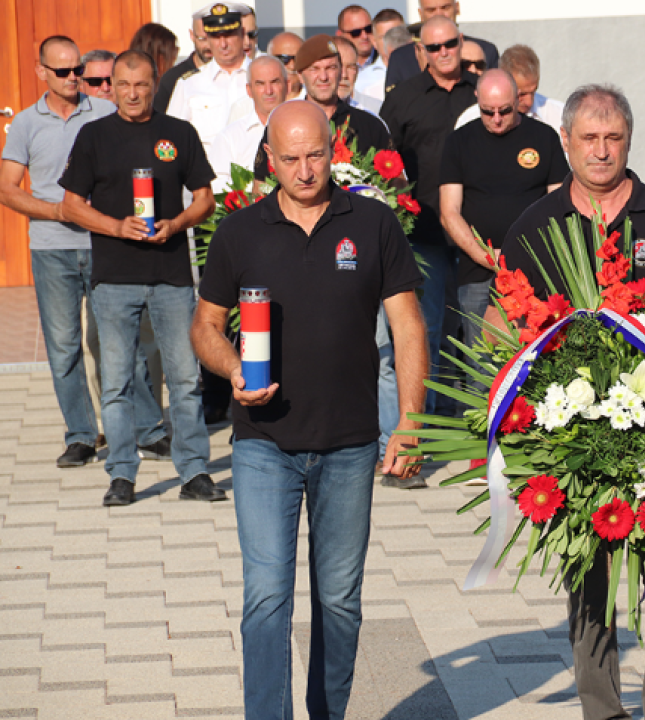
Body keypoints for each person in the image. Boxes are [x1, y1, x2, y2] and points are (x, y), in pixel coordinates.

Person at [190, 100, 428, 719]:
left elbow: (407, 326)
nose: (304, 170)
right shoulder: (239, 231)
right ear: (269, 158)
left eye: (315, 155)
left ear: (333, 151)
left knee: (340, 602)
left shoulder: (373, 223)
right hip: (263, 443)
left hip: (350, 443)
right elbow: (206, 326)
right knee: (267, 598)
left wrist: (409, 420)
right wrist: (234, 368)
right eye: (290, 158)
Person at [487, 85, 645, 720]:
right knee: (589, 575)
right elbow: (503, 322)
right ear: (565, 141)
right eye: (589, 138)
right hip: (572, 434)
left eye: (614, 138)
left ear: (630, 141)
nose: (602, 151)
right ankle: (602, 707)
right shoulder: (537, 225)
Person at [59, 50, 222, 506]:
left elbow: (205, 199)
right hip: (114, 279)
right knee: (116, 383)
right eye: (124, 85)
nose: (133, 94)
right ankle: (122, 475)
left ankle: (194, 472)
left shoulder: (179, 132)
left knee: (185, 380)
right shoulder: (93, 136)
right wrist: (117, 227)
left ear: (155, 85)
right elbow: (71, 205)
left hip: (171, 276)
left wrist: (176, 223)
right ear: (111, 86)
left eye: (142, 85)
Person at [0, 36, 165, 468]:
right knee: (63, 347)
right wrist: (57, 210)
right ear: (41, 72)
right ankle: (81, 435)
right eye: (63, 71)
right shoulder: (25, 124)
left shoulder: (106, 113)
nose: (74, 78)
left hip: (106, 244)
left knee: (123, 340)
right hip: (52, 250)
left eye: (79, 70)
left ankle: (148, 430)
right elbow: (7, 189)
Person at [380, 15, 475, 441]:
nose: (444, 52)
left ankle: (473, 419)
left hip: (475, 231)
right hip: (424, 233)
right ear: (421, 51)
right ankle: (430, 422)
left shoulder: (481, 91)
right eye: (434, 47)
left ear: (461, 41)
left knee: (474, 327)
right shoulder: (404, 99)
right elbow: (385, 164)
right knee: (429, 327)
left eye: (450, 44)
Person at [439, 69, 566, 385]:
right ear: (477, 101)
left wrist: (527, 257)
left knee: (534, 361)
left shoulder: (543, 137)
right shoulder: (459, 142)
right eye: (488, 111)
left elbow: (560, 205)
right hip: (478, 272)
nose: (496, 119)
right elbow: (449, 213)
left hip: (534, 270)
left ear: (518, 100)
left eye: (505, 111)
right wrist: (487, 256)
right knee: (481, 367)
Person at [252, 34, 391, 185]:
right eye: (314, 69)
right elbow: (261, 186)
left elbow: (396, 184)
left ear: (340, 72)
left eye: (331, 68)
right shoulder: (281, 124)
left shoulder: (370, 126)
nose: (323, 77)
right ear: (300, 75)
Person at [166, 3, 252, 154]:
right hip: (207, 167)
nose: (223, 44)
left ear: (242, 33)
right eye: (216, 37)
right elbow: (172, 136)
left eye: (229, 35)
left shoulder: (264, 77)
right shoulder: (189, 84)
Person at [209, 55, 287, 193]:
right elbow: (217, 186)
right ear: (249, 90)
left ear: (287, 86)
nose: (268, 91)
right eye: (260, 84)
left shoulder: (306, 129)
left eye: (275, 82)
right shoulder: (229, 137)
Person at [383, 0, 498, 94]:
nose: (439, 14)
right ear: (420, 13)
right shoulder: (400, 58)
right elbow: (397, 103)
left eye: (445, 7)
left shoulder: (486, 50)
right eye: (431, 10)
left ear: (457, 8)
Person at [153, 12, 214, 113]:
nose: (208, 46)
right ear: (192, 35)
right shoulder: (173, 79)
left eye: (213, 38)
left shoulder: (233, 73)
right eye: (202, 39)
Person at [500, 44, 564, 131]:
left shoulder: (560, 116)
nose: (529, 102)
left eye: (533, 92)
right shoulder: (483, 117)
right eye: (521, 94)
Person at [335, 5, 384, 97]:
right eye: (356, 32)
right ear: (340, 34)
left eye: (368, 29)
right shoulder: (331, 64)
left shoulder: (387, 62)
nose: (364, 36)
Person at [331, 35, 381, 115]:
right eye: (337, 67)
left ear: (357, 71)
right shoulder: (310, 111)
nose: (344, 75)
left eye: (350, 67)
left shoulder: (374, 110)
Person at [266, 31, 304, 98]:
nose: (292, 66)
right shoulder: (253, 101)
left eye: (298, 58)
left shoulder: (317, 99)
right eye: (284, 59)